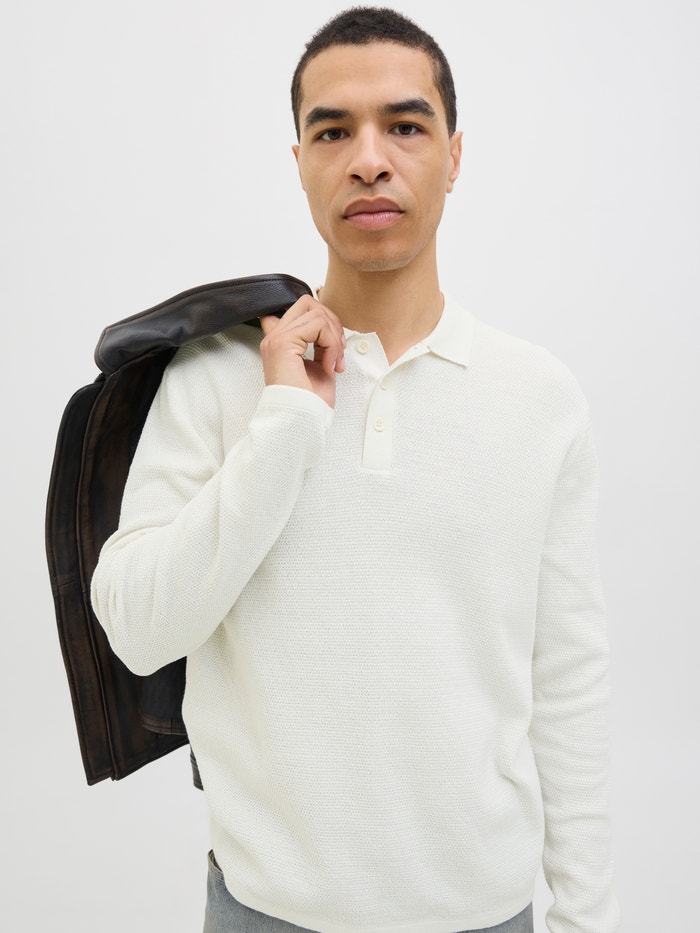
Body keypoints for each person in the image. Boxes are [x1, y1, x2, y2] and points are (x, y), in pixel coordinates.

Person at [91, 7, 619, 933]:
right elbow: (137, 630)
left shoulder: (539, 396)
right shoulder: (215, 377)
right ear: (300, 160)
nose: (369, 160)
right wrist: (287, 421)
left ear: (454, 156)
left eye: (405, 126)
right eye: (333, 132)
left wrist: (589, 914)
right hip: (262, 912)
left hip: (485, 914)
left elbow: (568, 681)